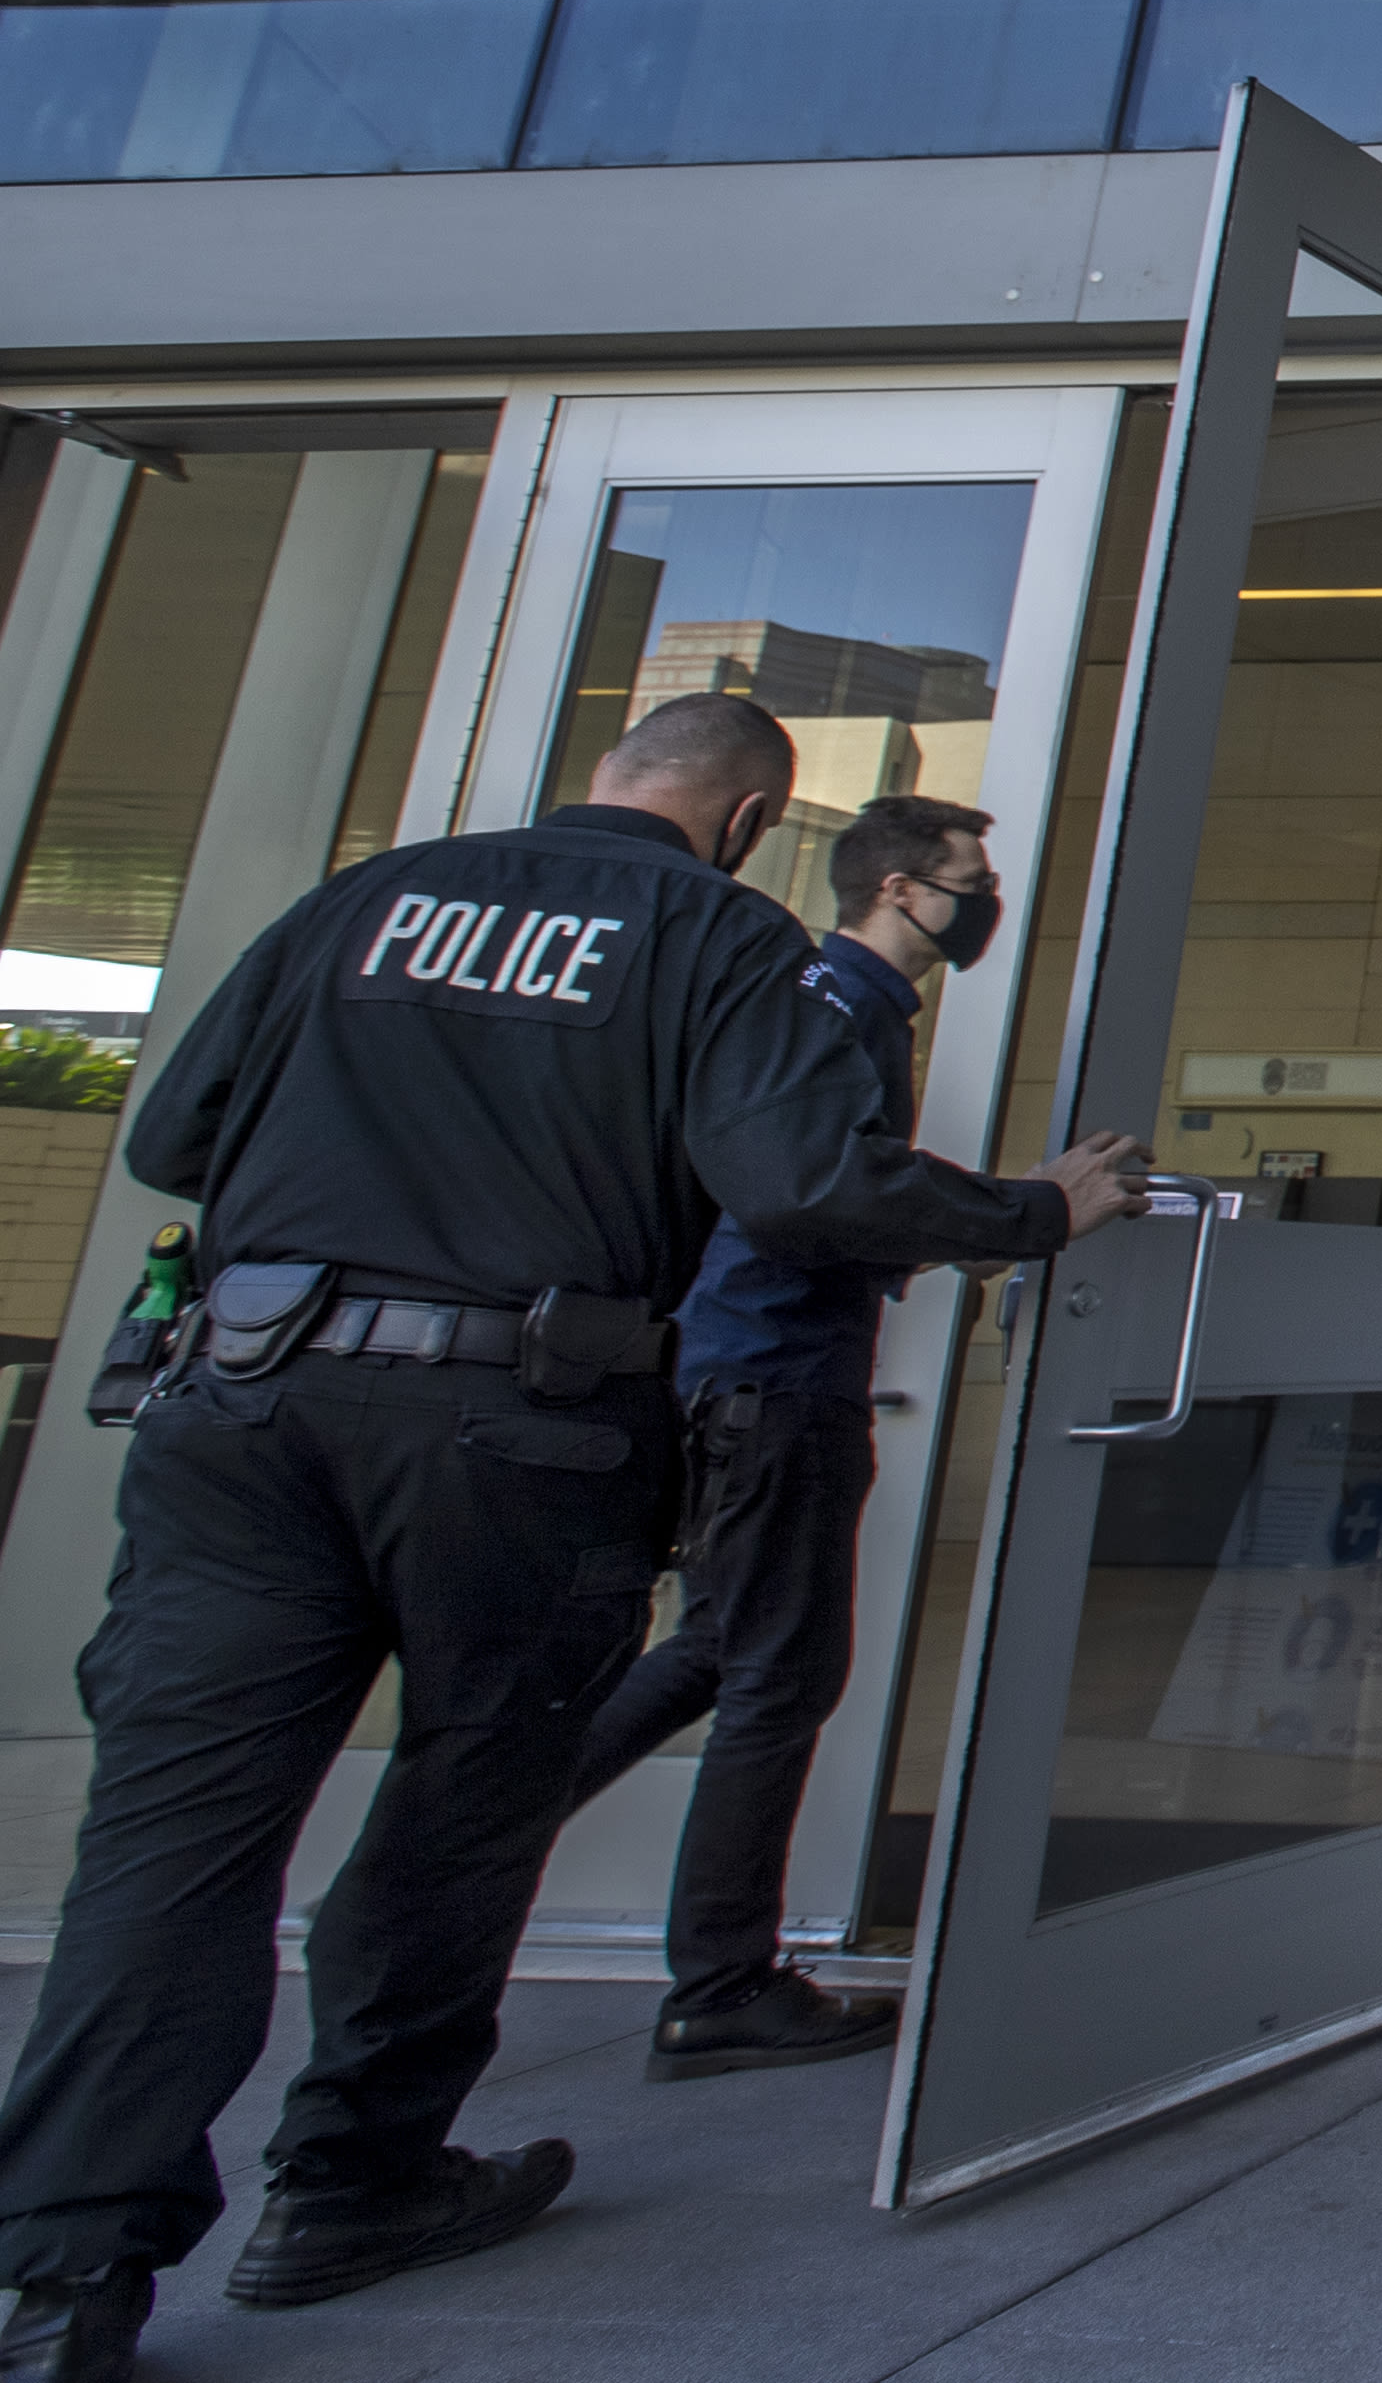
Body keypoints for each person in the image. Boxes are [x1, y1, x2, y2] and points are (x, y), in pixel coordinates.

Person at [0, 697, 1143, 2383]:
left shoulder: (365, 901)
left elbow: (175, 1137)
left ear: (605, 778)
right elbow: (799, 1186)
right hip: (513, 1428)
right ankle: (352, 2182)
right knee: (462, 1807)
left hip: (244, 1409)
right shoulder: (714, 936)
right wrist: (1034, 1211)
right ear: (753, 819)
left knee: (170, 1844)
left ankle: (58, 2280)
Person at [553, 790, 1013, 2082]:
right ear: (898, 889)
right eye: (968, 875)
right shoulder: (837, 1007)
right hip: (772, 1389)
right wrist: (1023, 1216)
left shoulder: (841, 1008)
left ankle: (481, 1828)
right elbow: (812, 1197)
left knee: (719, 1648)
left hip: (749, 1382)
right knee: (778, 1677)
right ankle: (721, 1983)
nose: (983, 899)